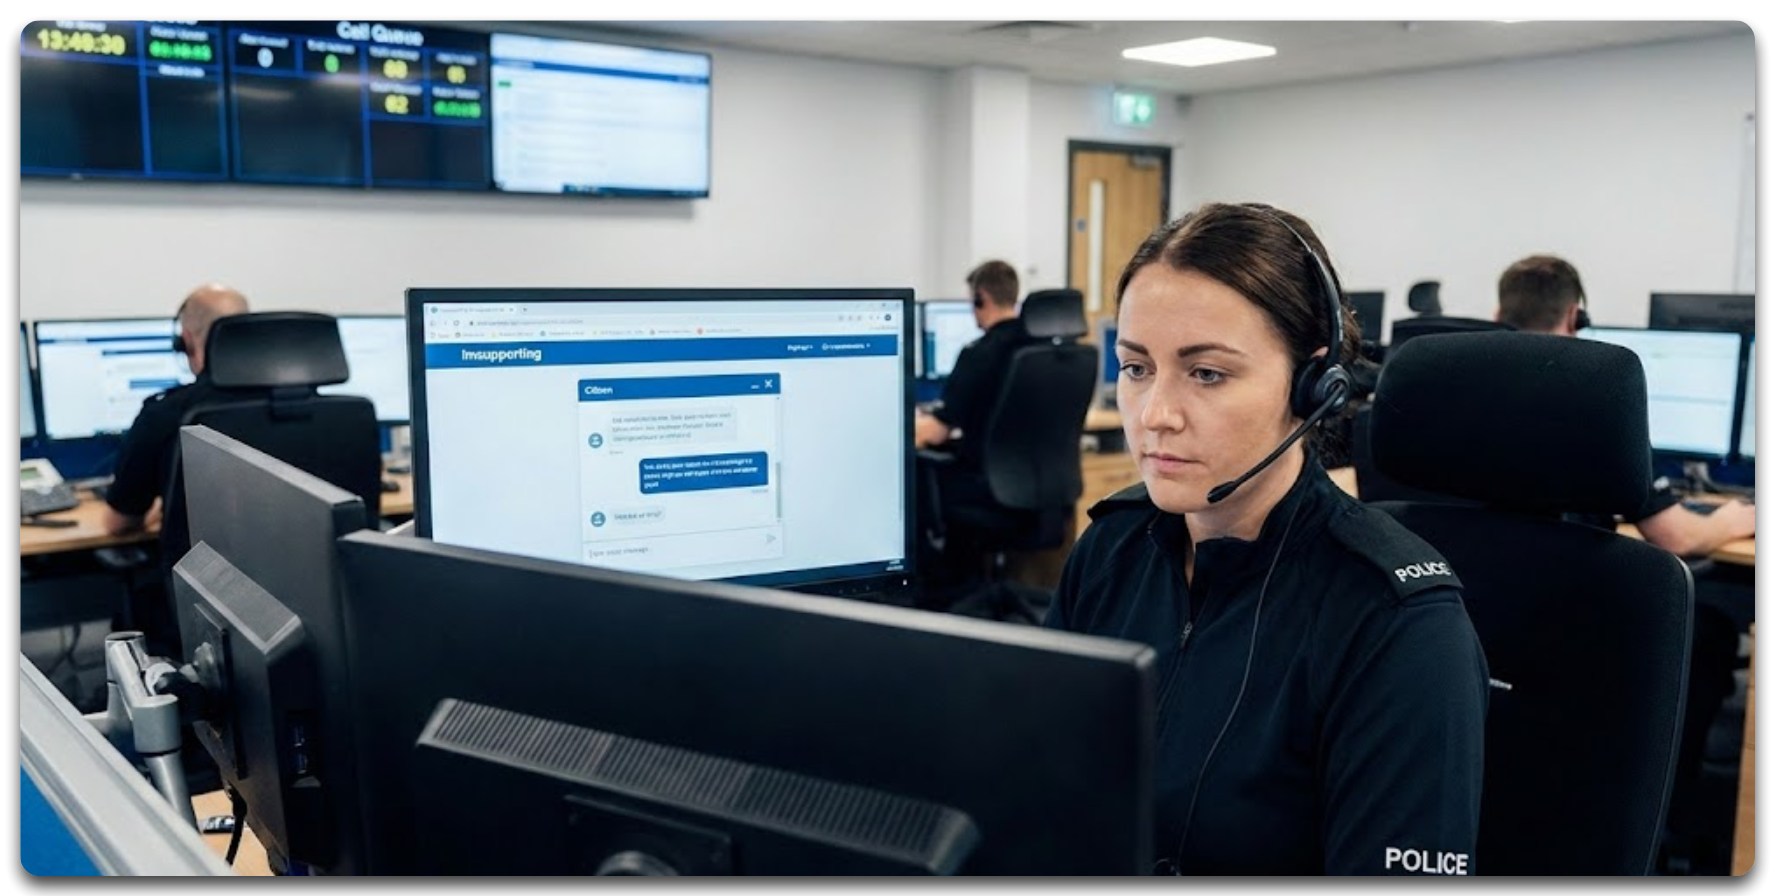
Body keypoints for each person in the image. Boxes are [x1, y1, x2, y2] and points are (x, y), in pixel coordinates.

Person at [1044, 203, 1489, 875]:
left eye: (1207, 373)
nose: (1155, 415)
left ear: (1311, 386)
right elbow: (1039, 790)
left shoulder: (1394, 622)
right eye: (1136, 368)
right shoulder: (1111, 550)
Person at [1495, 254, 1756, 556]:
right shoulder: (1598, 405)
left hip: (1469, 588)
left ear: (1497, 314)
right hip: (1565, 590)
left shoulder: (1460, 393)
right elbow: (1677, 538)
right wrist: (1729, 520)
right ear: (1573, 317)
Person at [102, 283, 250, 537]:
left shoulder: (166, 414)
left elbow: (119, 523)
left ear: (185, 340)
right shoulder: (313, 407)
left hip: (201, 574)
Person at [913, 259, 1027, 462]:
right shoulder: (1038, 348)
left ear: (980, 298)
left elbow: (935, 432)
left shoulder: (978, 354)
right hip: (1037, 476)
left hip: (981, 480)